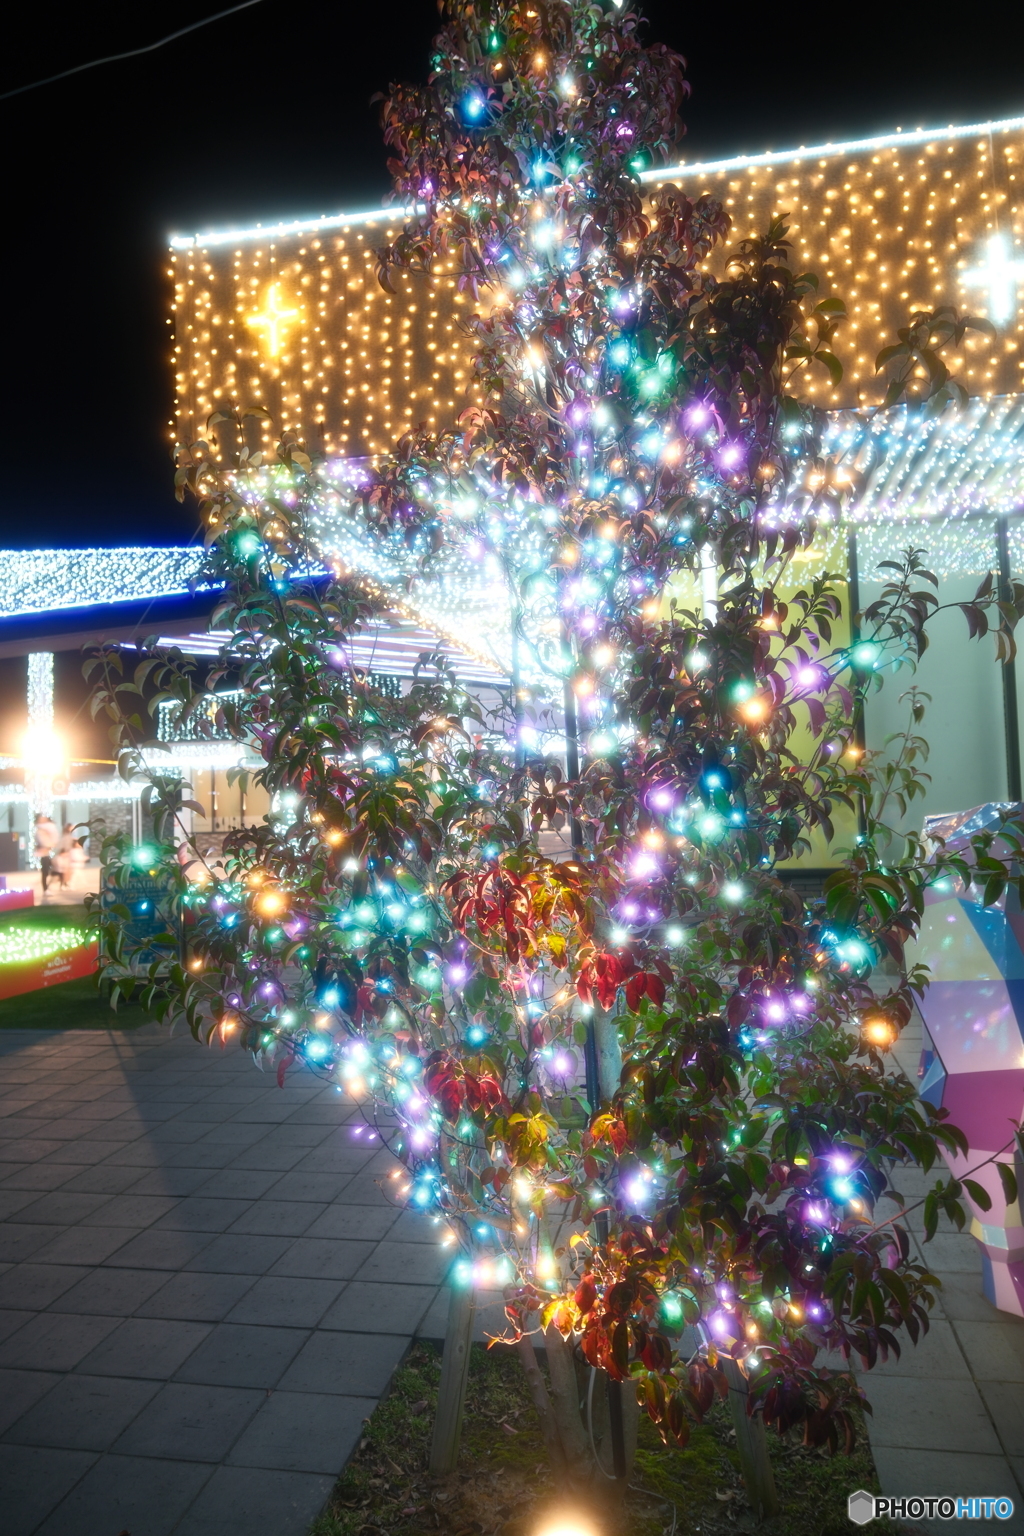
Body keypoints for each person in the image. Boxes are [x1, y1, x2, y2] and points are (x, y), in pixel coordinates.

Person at [34, 814, 59, 894]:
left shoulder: (46, 829)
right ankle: (45, 889)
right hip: (43, 855)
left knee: (52, 871)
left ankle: (47, 887)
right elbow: (43, 842)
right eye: (42, 819)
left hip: (46, 854)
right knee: (45, 872)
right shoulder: (40, 830)